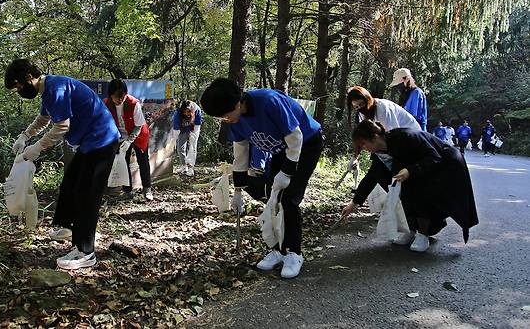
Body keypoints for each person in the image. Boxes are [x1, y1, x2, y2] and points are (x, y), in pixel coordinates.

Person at [200, 78, 323, 279]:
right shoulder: (236, 120)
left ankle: (294, 253)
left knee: (288, 198)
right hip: (280, 149)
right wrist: (237, 191)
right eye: (221, 117)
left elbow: (296, 138)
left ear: (238, 103)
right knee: (270, 196)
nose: (225, 119)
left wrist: (287, 172)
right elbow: (240, 154)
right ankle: (277, 249)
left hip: (306, 143)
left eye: (226, 114)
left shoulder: (269, 101)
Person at [6, 59, 119, 270]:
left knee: (87, 195)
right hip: (88, 143)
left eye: (19, 86)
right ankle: (68, 228)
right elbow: (43, 120)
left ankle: (85, 251)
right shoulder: (48, 89)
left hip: (102, 140)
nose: (19, 90)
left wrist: (36, 148)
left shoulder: (55, 88)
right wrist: (24, 136)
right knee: (70, 184)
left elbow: (61, 127)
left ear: (28, 78)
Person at [342, 120, 478, 252]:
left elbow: (434, 157)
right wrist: (354, 203)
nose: (364, 149)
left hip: (445, 165)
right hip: (422, 168)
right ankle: (411, 231)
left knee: (418, 191)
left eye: (364, 144)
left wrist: (410, 170)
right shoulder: (380, 154)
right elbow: (371, 178)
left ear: (375, 137)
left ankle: (423, 235)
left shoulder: (406, 138)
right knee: (402, 192)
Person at [344, 86, 420, 222]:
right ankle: (409, 223)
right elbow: (363, 136)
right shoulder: (363, 113)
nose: (360, 108)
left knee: (403, 183)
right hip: (387, 148)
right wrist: (355, 157)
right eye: (356, 107)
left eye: (361, 105)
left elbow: (395, 136)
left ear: (368, 99)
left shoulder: (383, 108)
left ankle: (419, 227)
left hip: (409, 145)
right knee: (380, 175)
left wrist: (392, 163)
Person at [104, 79, 153, 201]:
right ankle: (127, 191)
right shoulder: (106, 104)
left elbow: (138, 126)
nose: (120, 99)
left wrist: (129, 141)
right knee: (123, 162)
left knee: (143, 161)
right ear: (110, 95)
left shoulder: (133, 103)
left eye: (123, 96)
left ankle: (147, 189)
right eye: (117, 97)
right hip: (119, 136)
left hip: (138, 134)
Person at [172, 100, 203, 177]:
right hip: (182, 129)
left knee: (193, 147)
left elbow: (197, 126)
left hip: (193, 129)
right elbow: (176, 129)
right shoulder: (177, 113)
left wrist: (193, 135)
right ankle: (184, 166)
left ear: (192, 110)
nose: (186, 114)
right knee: (180, 148)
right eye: (184, 112)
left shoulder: (197, 110)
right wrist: (174, 140)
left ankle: (191, 167)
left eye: (188, 112)